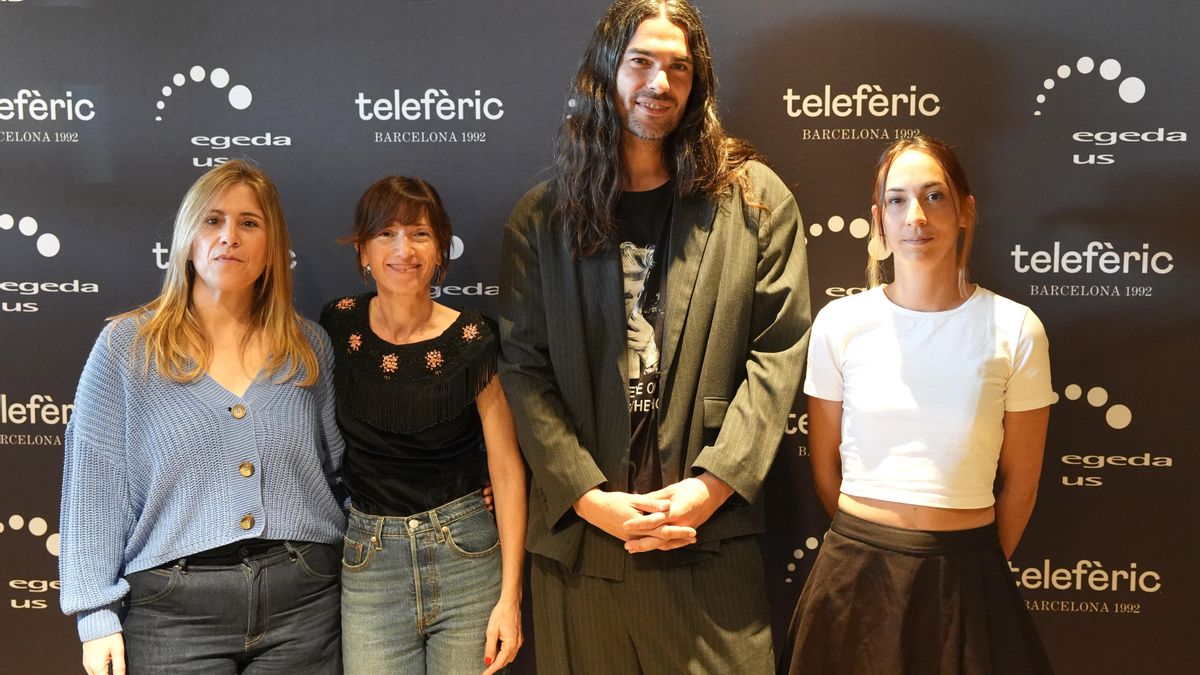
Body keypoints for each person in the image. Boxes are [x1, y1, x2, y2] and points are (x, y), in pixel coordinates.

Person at [498, 0, 810, 671]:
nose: (659, 83)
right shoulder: (541, 218)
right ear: (607, 71)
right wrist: (587, 495)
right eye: (641, 62)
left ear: (697, 85)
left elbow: (779, 351)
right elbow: (524, 370)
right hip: (586, 550)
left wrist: (712, 487)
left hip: (710, 543)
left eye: (678, 67)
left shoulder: (754, 201)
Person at [779, 135, 1055, 674]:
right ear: (879, 218)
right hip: (851, 577)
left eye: (935, 196)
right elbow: (824, 470)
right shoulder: (840, 324)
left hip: (969, 579)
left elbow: (1021, 482)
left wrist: (970, 565)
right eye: (899, 200)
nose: (916, 217)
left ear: (966, 210)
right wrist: (871, 549)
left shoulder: (1017, 330)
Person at [59, 160, 346, 675]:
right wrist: (95, 614)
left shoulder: (309, 348)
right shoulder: (128, 348)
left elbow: (342, 474)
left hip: (303, 601)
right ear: (187, 237)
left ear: (273, 244)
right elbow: (93, 487)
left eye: (249, 223)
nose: (229, 237)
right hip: (174, 612)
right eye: (212, 221)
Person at [320, 176, 526, 675]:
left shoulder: (473, 338)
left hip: (465, 552)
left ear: (440, 251)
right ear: (363, 252)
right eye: (386, 233)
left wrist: (510, 599)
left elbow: (505, 466)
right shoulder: (337, 325)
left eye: (419, 233)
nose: (403, 249)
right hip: (371, 562)